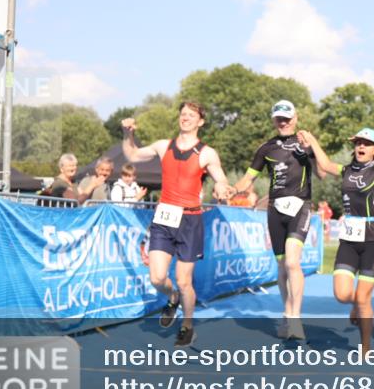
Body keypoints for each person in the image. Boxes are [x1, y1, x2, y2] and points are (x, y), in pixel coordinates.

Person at [121, 101, 234, 347]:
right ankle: (171, 297)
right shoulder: (164, 146)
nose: (185, 118)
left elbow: (221, 178)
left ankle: (187, 326)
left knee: (185, 281)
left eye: (191, 115)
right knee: (157, 278)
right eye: (183, 114)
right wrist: (128, 134)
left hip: (190, 220)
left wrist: (221, 186)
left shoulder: (206, 152)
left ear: (200, 122)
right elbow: (132, 154)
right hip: (164, 218)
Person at [298, 119, 374, 352]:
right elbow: (326, 164)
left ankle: (366, 347)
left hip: (373, 242)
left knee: (362, 298)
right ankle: (358, 305)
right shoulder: (347, 170)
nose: (361, 146)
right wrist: (313, 141)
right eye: (358, 142)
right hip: (349, 242)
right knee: (342, 295)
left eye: (367, 143)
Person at [233, 100, 317, 340]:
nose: (283, 122)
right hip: (275, 210)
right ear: (273, 120)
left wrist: (311, 148)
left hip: (300, 206)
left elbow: (321, 169)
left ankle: (295, 318)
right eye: (279, 118)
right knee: (282, 266)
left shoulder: (305, 143)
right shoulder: (266, 148)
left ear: (295, 118)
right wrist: (232, 190)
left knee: (292, 263)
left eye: (287, 118)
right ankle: (286, 312)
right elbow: (248, 178)